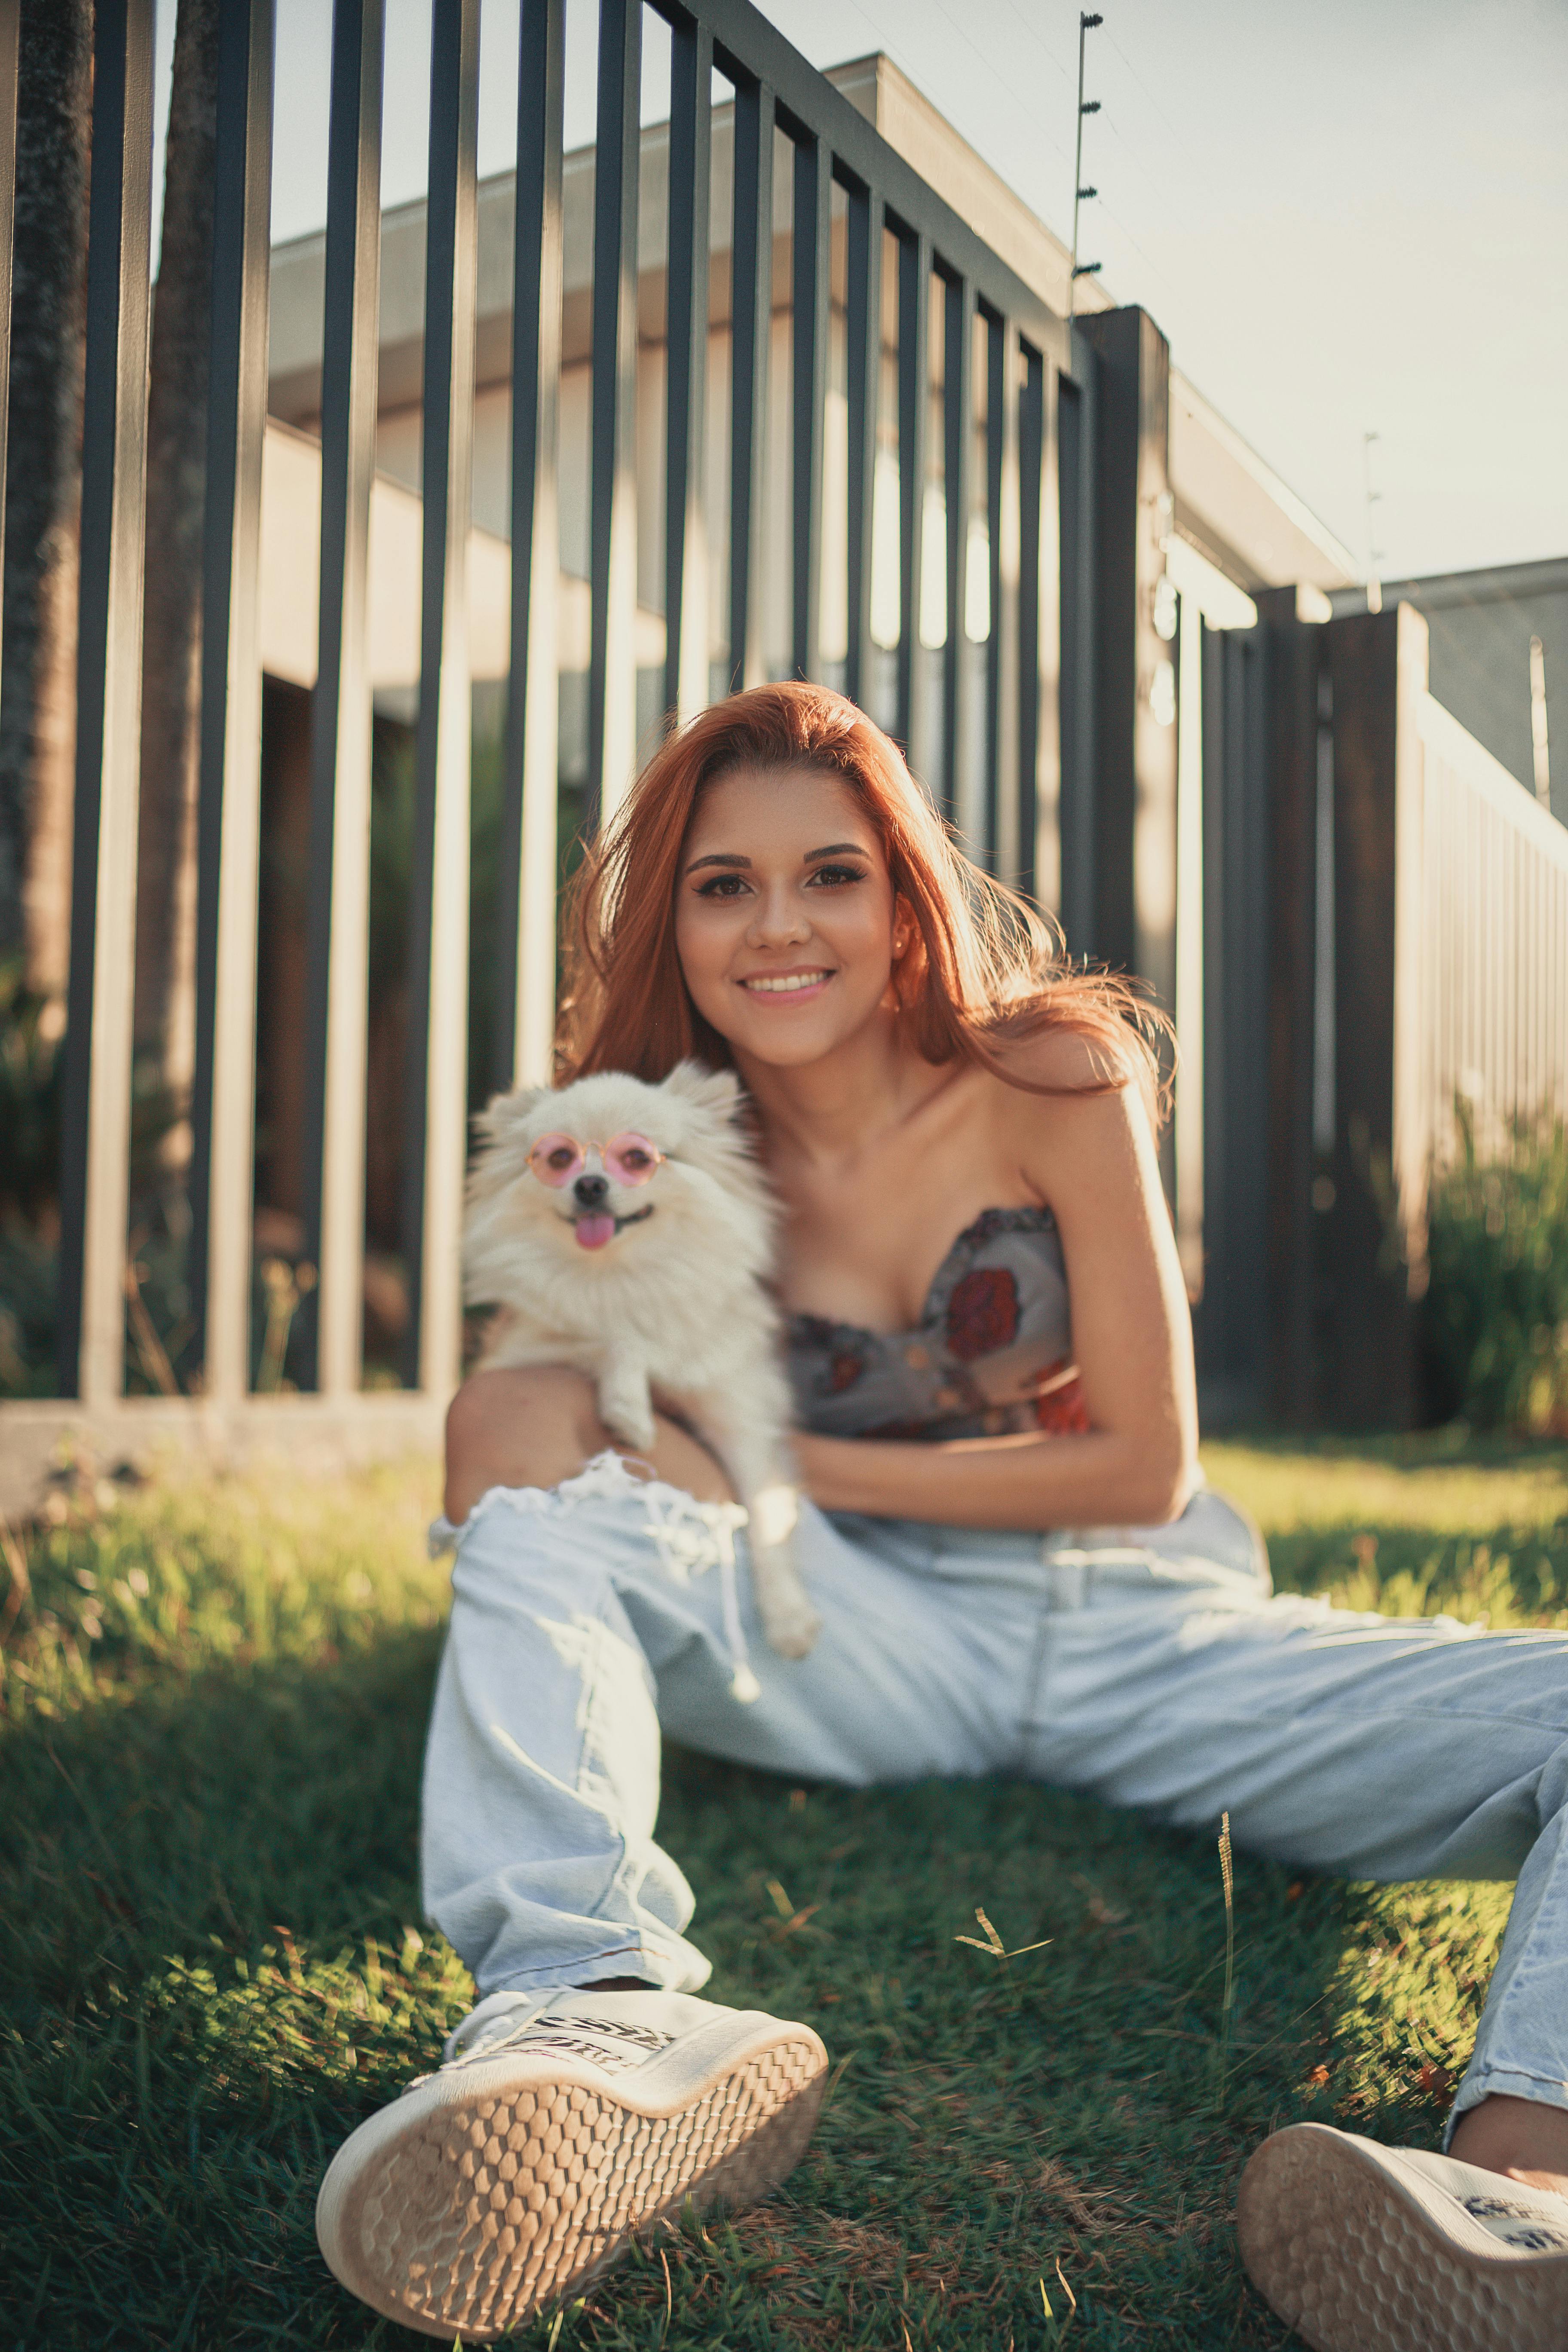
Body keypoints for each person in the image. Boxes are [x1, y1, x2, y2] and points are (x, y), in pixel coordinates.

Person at [316, 684, 1568, 2350]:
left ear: (904, 896)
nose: (780, 928)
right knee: (542, 1506)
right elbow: (513, 1422)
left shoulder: (1051, 1071)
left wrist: (775, 1464)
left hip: (1134, 1621)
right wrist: (601, 1452)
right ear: (670, 926)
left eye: (829, 874)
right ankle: (582, 2015)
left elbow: (1141, 1464)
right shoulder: (641, 1142)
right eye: (720, 885)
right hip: (851, 1629)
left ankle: (1521, 2202)